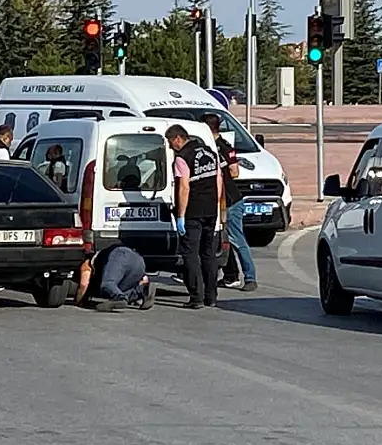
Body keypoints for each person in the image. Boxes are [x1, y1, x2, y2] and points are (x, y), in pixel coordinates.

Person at [165, 124, 224, 309]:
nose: (170, 147)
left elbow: (184, 187)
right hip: (210, 209)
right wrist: (217, 204)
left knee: (190, 254)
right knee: (208, 254)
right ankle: (211, 296)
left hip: (193, 211)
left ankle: (196, 297)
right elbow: (218, 179)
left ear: (178, 139)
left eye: (170, 142)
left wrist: (181, 215)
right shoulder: (209, 153)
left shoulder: (182, 158)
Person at [201, 113, 258, 292]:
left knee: (236, 239)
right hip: (219, 200)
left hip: (230, 201)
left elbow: (235, 172)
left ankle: (250, 277)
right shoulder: (213, 146)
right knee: (223, 239)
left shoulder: (222, 147)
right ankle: (230, 275)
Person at [75, 244, 156, 312]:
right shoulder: (102, 262)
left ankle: (119, 298)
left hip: (119, 255)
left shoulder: (87, 262)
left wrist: (79, 300)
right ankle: (143, 290)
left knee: (108, 284)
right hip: (139, 261)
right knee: (120, 289)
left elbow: (84, 283)